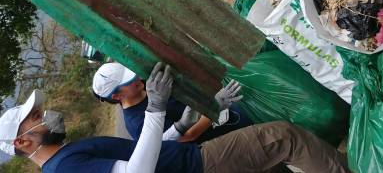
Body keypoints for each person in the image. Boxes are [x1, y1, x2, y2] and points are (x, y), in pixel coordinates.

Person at [0, 63, 351, 173]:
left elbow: (138, 154)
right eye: (36, 117)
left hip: (187, 159)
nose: (47, 116)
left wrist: (178, 126)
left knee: (273, 157)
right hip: (193, 165)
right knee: (282, 138)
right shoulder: (65, 168)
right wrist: (156, 108)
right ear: (22, 141)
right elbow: (137, 171)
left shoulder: (65, 157)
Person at [92, 62, 253, 143]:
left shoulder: (149, 85)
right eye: (128, 81)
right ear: (117, 96)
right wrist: (215, 107)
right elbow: (187, 136)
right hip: (213, 134)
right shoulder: (137, 123)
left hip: (216, 111)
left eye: (131, 74)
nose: (135, 78)